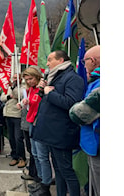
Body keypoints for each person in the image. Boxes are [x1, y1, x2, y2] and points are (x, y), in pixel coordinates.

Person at [32, 50, 85, 196]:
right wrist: (43, 91)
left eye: (50, 60)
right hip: (52, 133)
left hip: (61, 133)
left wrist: (50, 93)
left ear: (60, 60)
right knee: (59, 170)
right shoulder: (55, 77)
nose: (47, 63)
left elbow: (72, 103)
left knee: (66, 170)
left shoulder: (72, 78)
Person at [70, 45, 100, 196]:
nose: (83, 65)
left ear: (93, 61)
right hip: (92, 143)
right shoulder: (95, 80)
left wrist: (76, 108)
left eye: (84, 61)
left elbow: (79, 113)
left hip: (97, 144)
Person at [18, 67, 45, 193]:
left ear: (37, 77)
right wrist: (24, 102)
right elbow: (31, 103)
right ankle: (39, 180)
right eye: (27, 79)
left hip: (38, 124)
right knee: (35, 154)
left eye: (31, 78)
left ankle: (44, 183)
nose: (29, 81)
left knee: (41, 156)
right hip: (31, 123)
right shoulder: (31, 90)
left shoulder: (42, 89)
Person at [1, 74, 26, 168]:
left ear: (20, 79)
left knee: (18, 138)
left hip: (17, 115)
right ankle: (14, 156)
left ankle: (22, 158)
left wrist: (14, 90)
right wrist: (9, 95)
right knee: (11, 137)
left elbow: (20, 95)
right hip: (8, 114)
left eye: (16, 78)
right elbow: (2, 98)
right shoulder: (8, 87)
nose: (14, 79)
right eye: (13, 77)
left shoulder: (22, 87)